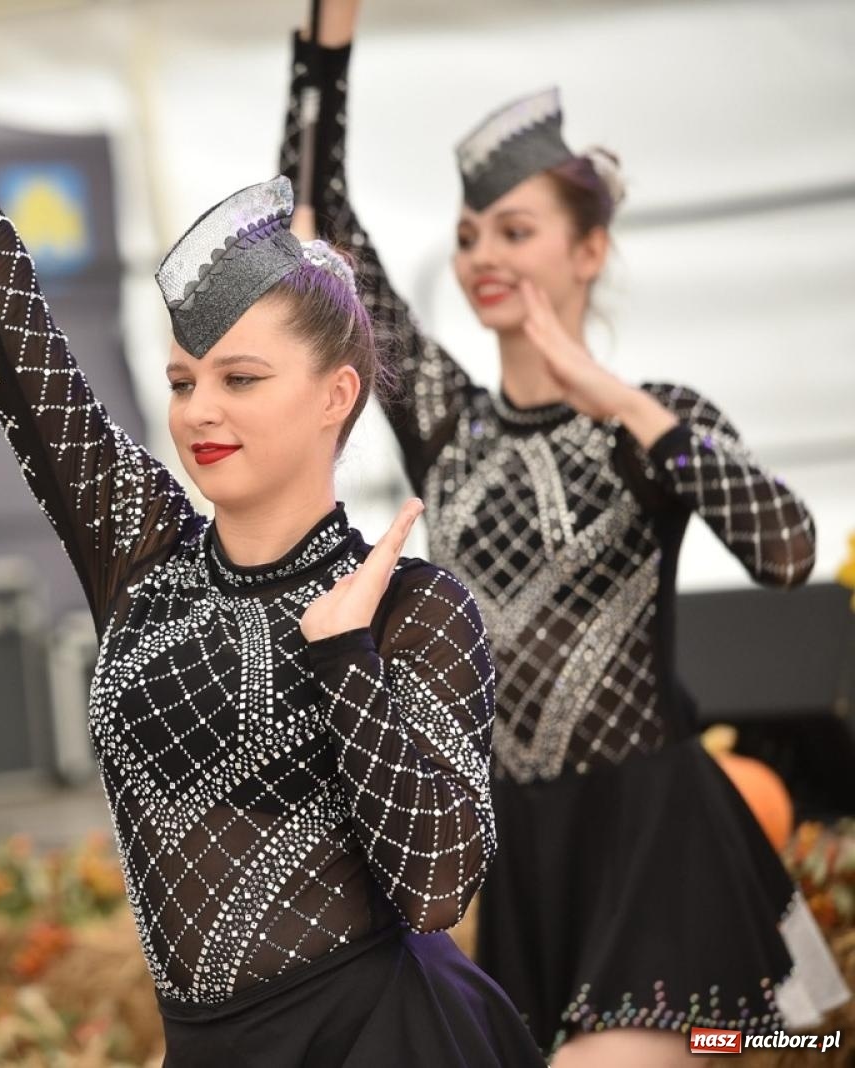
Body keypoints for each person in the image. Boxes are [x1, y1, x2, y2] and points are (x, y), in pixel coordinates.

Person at [0, 2, 543, 1064]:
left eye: (241, 379)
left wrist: (345, 656)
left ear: (334, 395)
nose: (200, 411)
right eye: (182, 381)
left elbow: (439, 883)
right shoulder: (141, 554)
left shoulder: (413, 606)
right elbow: (7, 323)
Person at [281, 1, 849, 1062]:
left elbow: (787, 551)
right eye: (465, 237)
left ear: (589, 251)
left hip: (657, 855)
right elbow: (315, 220)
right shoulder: (445, 421)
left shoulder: (656, 424)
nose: (483, 254)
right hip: (522, 861)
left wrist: (605, 391)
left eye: (515, 230)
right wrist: (325, 44)